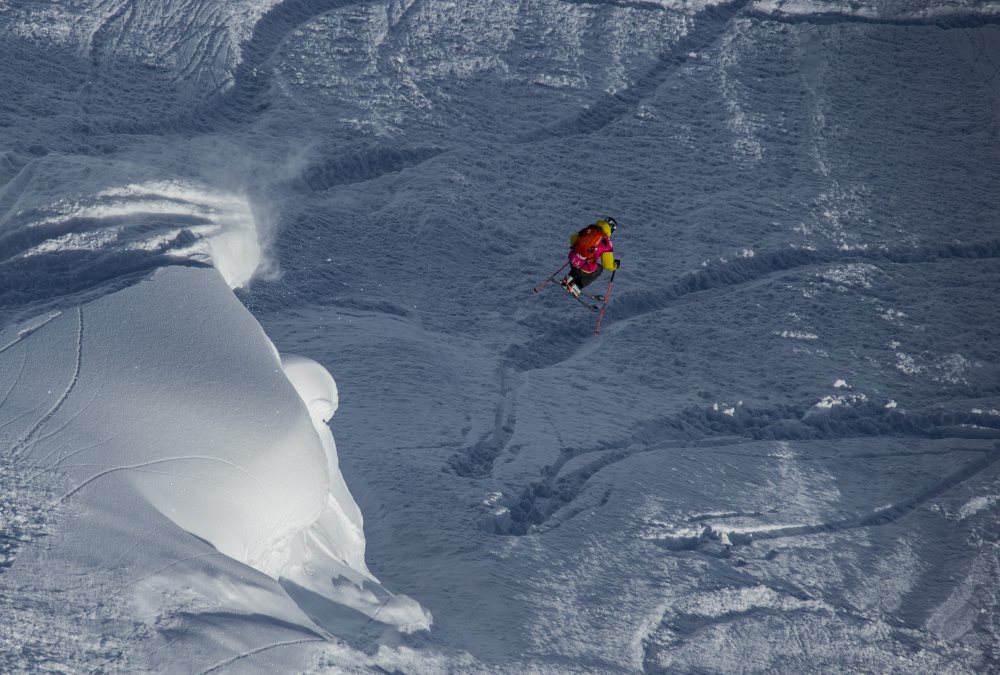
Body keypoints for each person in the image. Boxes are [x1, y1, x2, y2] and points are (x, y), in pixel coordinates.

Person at [561, 217, 620, 297]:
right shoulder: (607, 242)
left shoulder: (588, 229)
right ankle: (576, 286)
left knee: (580, 262)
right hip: (585, 267)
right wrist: (615, 265)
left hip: (572, 259)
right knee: (598, 269)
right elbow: (607, 266)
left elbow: (572, 238)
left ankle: (568, 278)